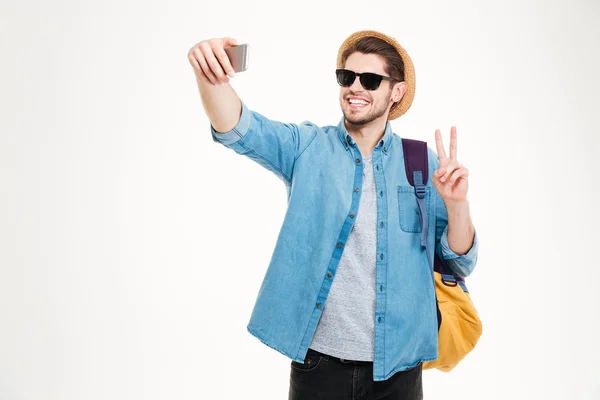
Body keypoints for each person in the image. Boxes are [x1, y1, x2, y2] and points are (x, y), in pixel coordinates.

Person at [188, 30, 479, 400]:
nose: (355, 87)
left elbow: (460, 260)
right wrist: (209, 76)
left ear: (396, 92)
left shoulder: (422, 164)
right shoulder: (306, 146)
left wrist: (456, 204)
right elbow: (240, 128)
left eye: (370, 79)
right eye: (347, 77)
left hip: (398, 373)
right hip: (318, 368)